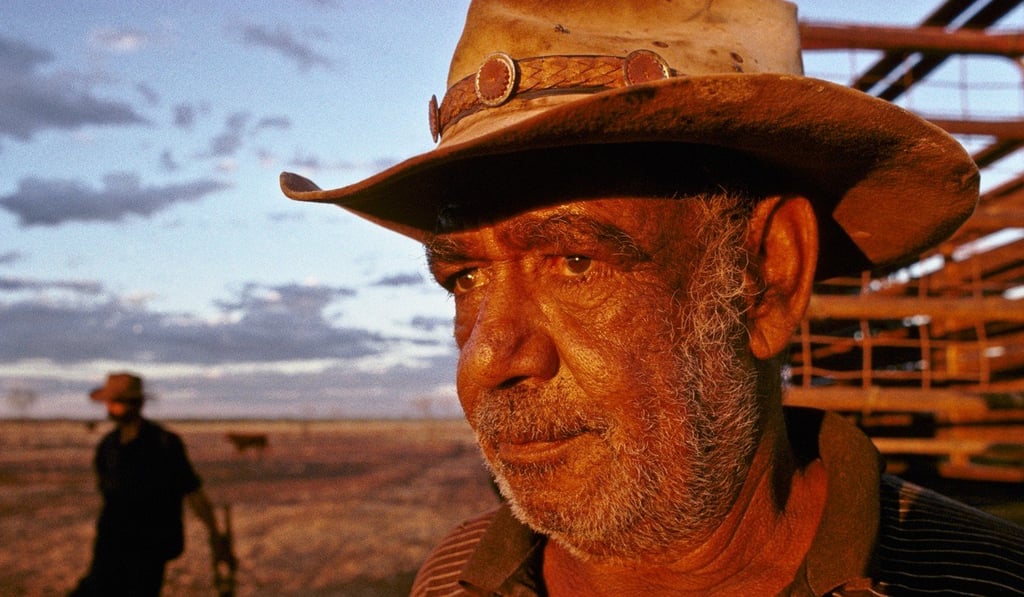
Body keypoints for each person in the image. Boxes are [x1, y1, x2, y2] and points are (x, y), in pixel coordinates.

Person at [280, 0, 1024, 594]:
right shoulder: (454, 578)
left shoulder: (984, 580)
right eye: (464, 278)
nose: (486, 363)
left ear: (765, 275)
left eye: (575, 260)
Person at [70, 372, 235, 597]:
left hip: (148, 549)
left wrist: (215, 536)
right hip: (109, 546)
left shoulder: (164, 445)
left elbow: (193, 492)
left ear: (134, 403)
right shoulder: (107, 447)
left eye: (115, 401)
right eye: (109, 401)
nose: (109, 406)